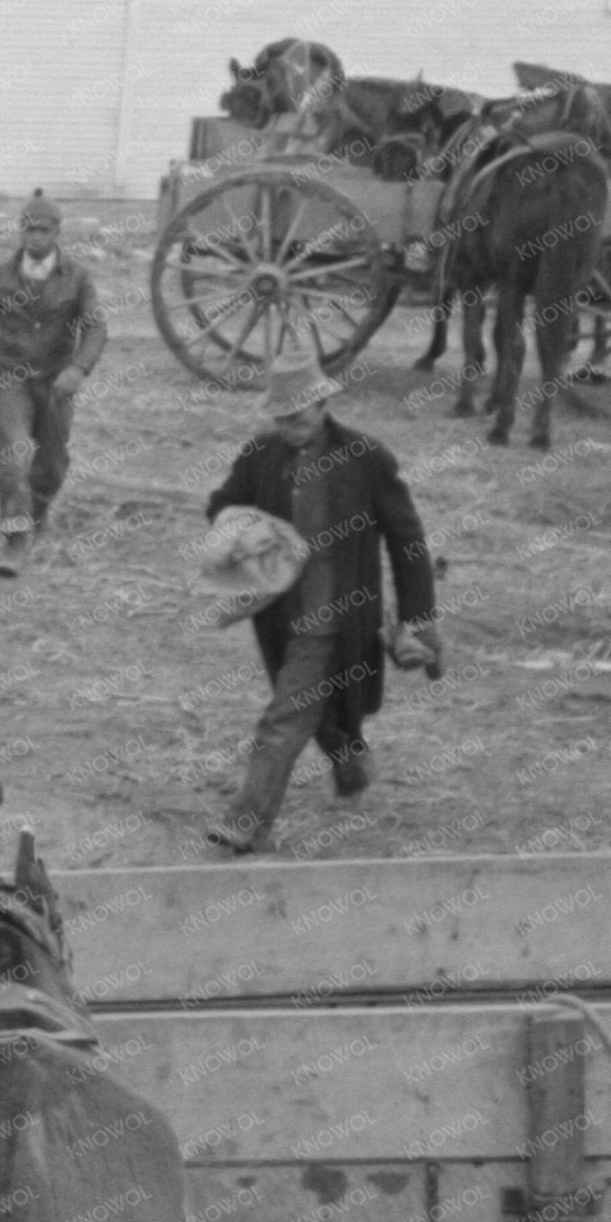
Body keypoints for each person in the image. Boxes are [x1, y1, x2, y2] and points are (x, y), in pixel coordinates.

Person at [200, 338, 442, 856]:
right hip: (280, 615)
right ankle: (348, 755)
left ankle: (246, 822)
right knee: (319, 701)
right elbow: (221, 506)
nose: (290, 426)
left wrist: (419, 617)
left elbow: (407, 539)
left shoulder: (366, 458)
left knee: (283, 718)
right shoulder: (261, 457)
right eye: (281, 417)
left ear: (323, 402)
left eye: (299, 415)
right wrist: (249, 537)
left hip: (343, 614)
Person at [0, 191, 106, 575]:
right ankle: (15, 539)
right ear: (20, 230)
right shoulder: (1, 276)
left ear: (57, 232)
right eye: (29, 230)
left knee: (51, 464)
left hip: (56, 383)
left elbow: (96, 328)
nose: (35, 238)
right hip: (12, 380)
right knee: (13, 456)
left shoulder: (78, 277)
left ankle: (35, 514)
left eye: (43, 231)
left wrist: (78, 369)